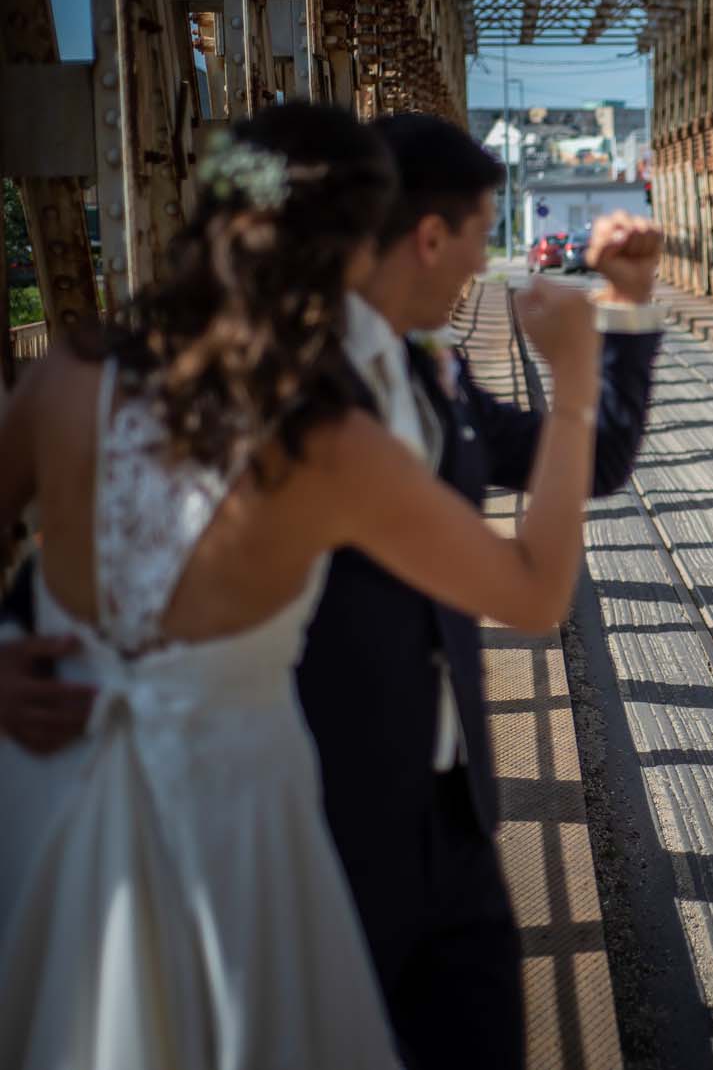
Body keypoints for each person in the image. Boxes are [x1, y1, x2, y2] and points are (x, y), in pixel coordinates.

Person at [0, 103, 602, 1069]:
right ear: (353, 250)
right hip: (235, 832)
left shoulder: (70, 379)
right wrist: (574, 390)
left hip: (45, 797)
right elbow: (532, 594)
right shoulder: (324, 447)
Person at [290, 113, 661, 1070]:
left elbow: (583, 464)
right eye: (479, 236)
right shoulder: (292, 391)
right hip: (320, 821)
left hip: (452, 808)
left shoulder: (431, 369)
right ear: (428, 237)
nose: (480, 268)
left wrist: (626, 308)